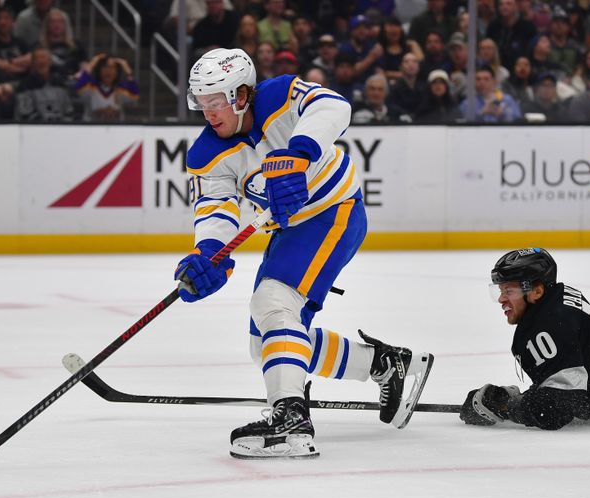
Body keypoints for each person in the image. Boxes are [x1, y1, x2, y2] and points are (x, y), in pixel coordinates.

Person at [180, 48, 434, 459]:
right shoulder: (206, 154)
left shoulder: (279, 94)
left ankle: (290, 417)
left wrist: (299, 153)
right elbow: (215, 208)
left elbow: (334, 106)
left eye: (216, 102)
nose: (208, 113)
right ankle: (385, 365)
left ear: (242, 95)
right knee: (263, 342)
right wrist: (208, 253)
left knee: (272, 303)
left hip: (333, 212)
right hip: (290, 231)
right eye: (202, 103)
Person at [461, 248, 590, 430]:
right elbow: (569, 376)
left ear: (536, 291)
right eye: (500, 290)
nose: (501, 299)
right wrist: (510, 399)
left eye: (509, 290)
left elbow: (561, 406)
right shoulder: (557, 299)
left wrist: (506, 407)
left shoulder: (548, 327)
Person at [75, 54, 139, 122]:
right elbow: (79, 87)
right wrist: (92, 64)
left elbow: (134, 96)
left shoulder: (120, 89)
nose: (108, 71)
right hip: (92, 130)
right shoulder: (91, 87)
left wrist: (128, 72)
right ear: (99, 70)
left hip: (116, 130)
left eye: (112, 68)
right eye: (105, 67)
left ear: (117, 72)